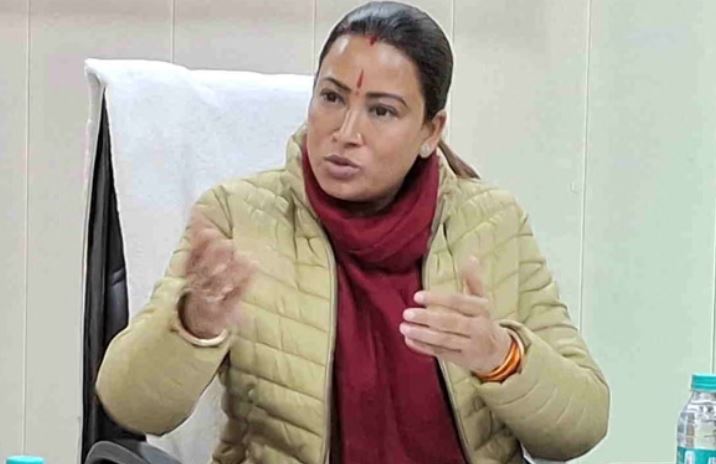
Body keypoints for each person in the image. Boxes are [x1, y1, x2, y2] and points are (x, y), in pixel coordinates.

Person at [96, 2, 609, 463]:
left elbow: (581, 427)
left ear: (431, 131)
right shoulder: (237, 216)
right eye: (331, 98)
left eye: (381, 111)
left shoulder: (491, 224)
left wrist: (501, 357)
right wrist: (194, 322)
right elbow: (130, 406)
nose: (345, 133)